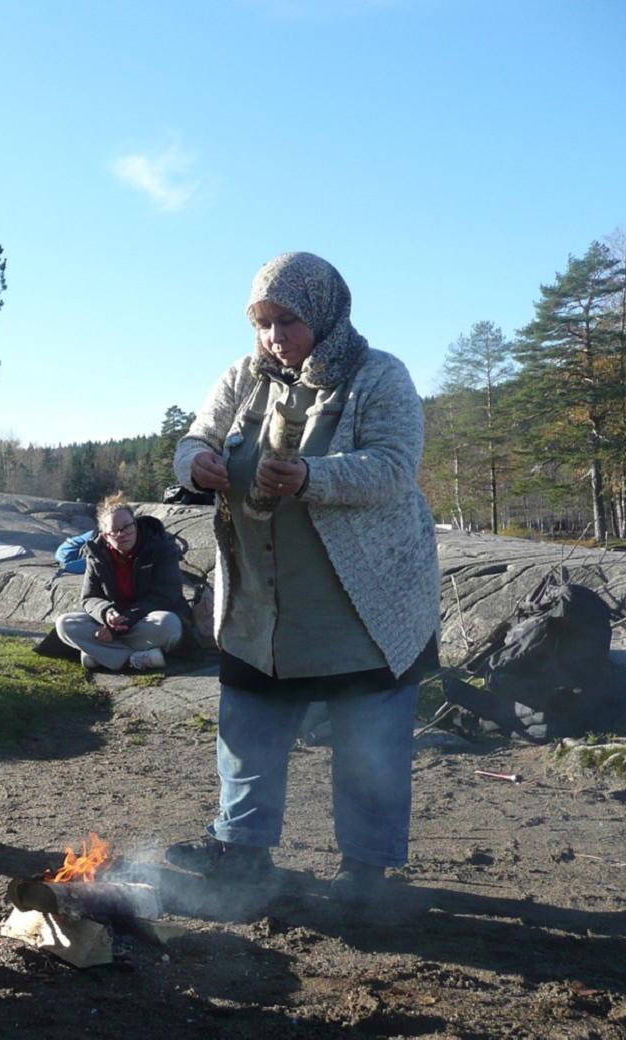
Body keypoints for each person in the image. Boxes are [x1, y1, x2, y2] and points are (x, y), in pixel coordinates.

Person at [165, 252, 441, 904]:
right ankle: (241, 852)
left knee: (367, 740)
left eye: (284, 321)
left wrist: (314, 478)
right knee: (248, 729)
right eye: (260, 323)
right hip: (261, 601)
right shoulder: (241, 377)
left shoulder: (378, 377)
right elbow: (193, 437)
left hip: (361, 604)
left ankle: (364, 874)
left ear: (321, 313)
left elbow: (394, 466)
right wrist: (194, 463)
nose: (271, 337)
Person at [54, 492, 193, 672]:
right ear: (105, 536)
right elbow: (89, 598)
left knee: (169, 624)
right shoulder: (96, 554)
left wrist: (124, 622)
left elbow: (167, 594)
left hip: (146, 619)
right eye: (115, 531)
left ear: (135, 523)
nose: (123, 533)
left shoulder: (161, 547)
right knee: (65, 623)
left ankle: (101, 653)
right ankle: (133, 659)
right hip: (112, 620)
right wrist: (106, 614)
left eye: (127, 526)